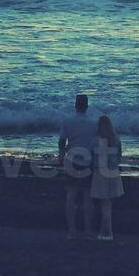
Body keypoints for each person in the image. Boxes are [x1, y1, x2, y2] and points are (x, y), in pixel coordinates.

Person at [58, 93, 98, 239]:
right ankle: (87, 230)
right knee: (87, 197)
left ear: (75, 105)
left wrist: (61, 155)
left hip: (71, 161)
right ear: (87, 106)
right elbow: (96, 143)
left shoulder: (67, 121)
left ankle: (72, 230)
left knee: (71, 195)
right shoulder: (94, 123)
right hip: (88, 161)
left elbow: (62, 141)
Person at [91, 115, 124, 241]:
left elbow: (90, 154)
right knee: (108, 203)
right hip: (113, 172)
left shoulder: (95, 140)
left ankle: (107, 233)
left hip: (100, 172)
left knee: (105, 204)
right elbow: (119, 156)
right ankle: (105, 232)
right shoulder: (116, 139)